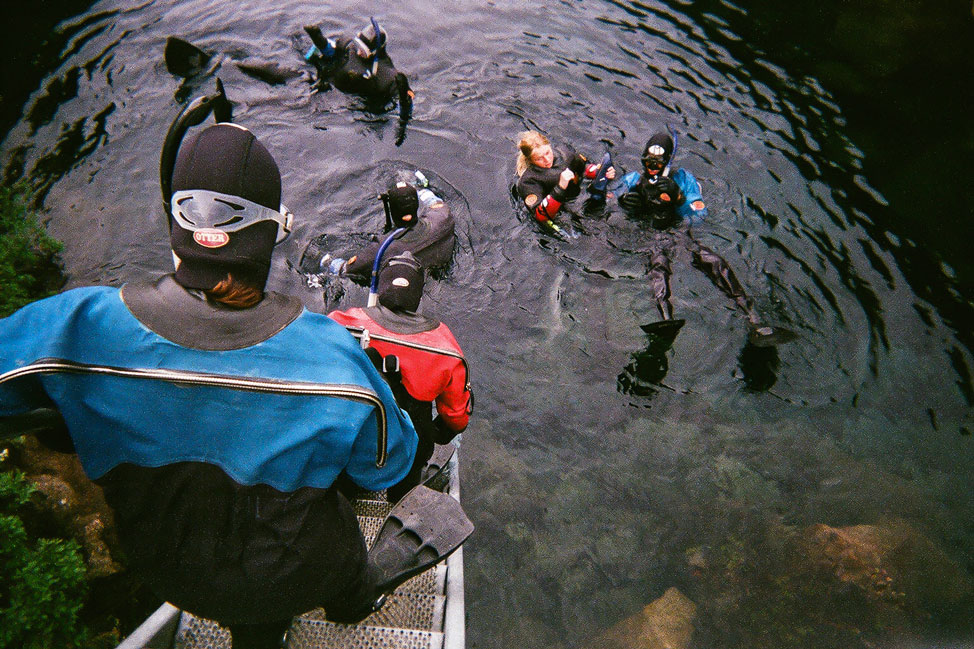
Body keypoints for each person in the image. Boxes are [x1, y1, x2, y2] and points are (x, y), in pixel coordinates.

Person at [0, 118, 427, 647]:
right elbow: (387, 465)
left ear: (174, 220)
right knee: (314, 566)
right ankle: (350, 594)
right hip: (293, 572)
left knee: (237, 594)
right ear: (274, 233)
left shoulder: (72, 331)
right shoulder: (338, 363)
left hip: (169, 570)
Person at [615, 129, 795, 346]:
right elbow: (608, 200)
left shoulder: (683, 180)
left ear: (668, 162)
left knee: (714, 262)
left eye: (658, 163)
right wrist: (623, 204)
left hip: (677, 231)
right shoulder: (632, 180)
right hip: (651, 233)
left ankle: (754, 318)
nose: (652, 168)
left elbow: (700, 215)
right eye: (648, 162)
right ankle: (665, 320)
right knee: (658, 267)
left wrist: (678, 198)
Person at [329, 252, 472, 503]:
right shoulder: (444, 345)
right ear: (417, 295)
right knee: (407, 480)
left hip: (352, 432)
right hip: (410, 442)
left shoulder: (341, 322)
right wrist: (441, 433)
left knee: (344, 479)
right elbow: (457, 416)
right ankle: (398, 503)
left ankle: (344, 503)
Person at [323, 175, 456, 282]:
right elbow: (432, 200)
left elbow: (345, 270)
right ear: (416, 206)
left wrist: (323, 260)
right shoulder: (443, 217)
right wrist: (419, 189)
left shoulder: (381, 249)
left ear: (392, 211)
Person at [303, 17, 413, 116]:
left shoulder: (388, 78)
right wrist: (319, 40)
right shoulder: (349, 47)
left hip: (349, 105)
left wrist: (405, 99)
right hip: (328, 84)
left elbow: (406, 113)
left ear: (375, 52)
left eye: (363, 50)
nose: (359, 52)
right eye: (358, 45)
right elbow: (331, 52)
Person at [514, 130, 616, 232]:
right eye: (539, 159)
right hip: (561, 211)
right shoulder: (528, 181)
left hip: (579, 193)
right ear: (531, 160)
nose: (547, 159)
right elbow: (540, 215)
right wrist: (560, 187)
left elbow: (583, 167)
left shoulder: (565, 154)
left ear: (549, 146)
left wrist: (599, 172)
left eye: (548, 153)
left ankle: (599, 190)